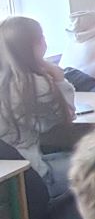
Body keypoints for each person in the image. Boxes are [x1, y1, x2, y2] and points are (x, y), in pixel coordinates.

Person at [0, 16, 75, 196]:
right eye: (41, 37)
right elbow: (68, 114)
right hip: (35, 177)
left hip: (10, 180)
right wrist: (59, 79)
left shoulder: (7, 81)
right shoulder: (32, 85)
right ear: (31, 46)